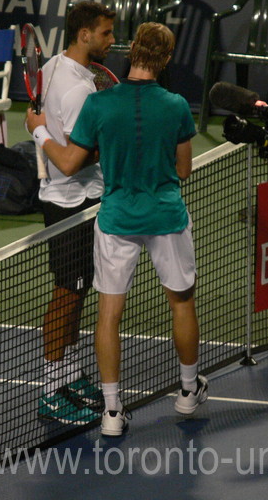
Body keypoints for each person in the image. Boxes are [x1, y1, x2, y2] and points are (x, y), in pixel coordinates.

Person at [27, 22, 206, 437]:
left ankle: (111, 412)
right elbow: (183, 169)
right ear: (165, 58)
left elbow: (71, 161)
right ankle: (187, 392)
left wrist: (37, 129)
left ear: (132, 51)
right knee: (182, 303)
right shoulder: (177, 104)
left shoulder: (99, 105)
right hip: (165, 217)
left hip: (117, 219)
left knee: (109, 315)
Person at [34, 1, 116, 426]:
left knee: (79, 290)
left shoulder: (53, 68)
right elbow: (71, 160)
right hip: (73, 203)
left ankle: (68, 371)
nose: (111, 40)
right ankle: (50, 387)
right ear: (84, 34)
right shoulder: (79, 89)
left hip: (68, 199)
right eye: (105, 33)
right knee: (67, 294)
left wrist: (39, 129)